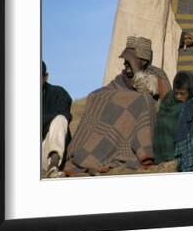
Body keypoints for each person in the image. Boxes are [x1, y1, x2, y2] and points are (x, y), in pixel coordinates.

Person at [65, 37, 171, 175]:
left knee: (140, 101)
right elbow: (110, 92)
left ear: (143, 61)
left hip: (141, 126)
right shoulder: (122, 78)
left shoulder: (156, 76)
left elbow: (145, 91)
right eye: (125, 61)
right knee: (96, 98)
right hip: (120, 128)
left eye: (130, 61)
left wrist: (136, 69)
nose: (126, 64)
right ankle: (88, 158)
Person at [153, 71, 193, 164]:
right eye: (176, 93)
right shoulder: (169, 98)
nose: (178, 96)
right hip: (160, 150)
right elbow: (161, 121)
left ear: (190, 91)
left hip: (179, 155)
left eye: (182, 93)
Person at [41, 61, 73, 178]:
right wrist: (49, 120)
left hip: (48, 151)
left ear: (45, 77)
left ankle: (53, 166)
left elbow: (65, 116)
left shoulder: (59, 93)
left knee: (60, 119)